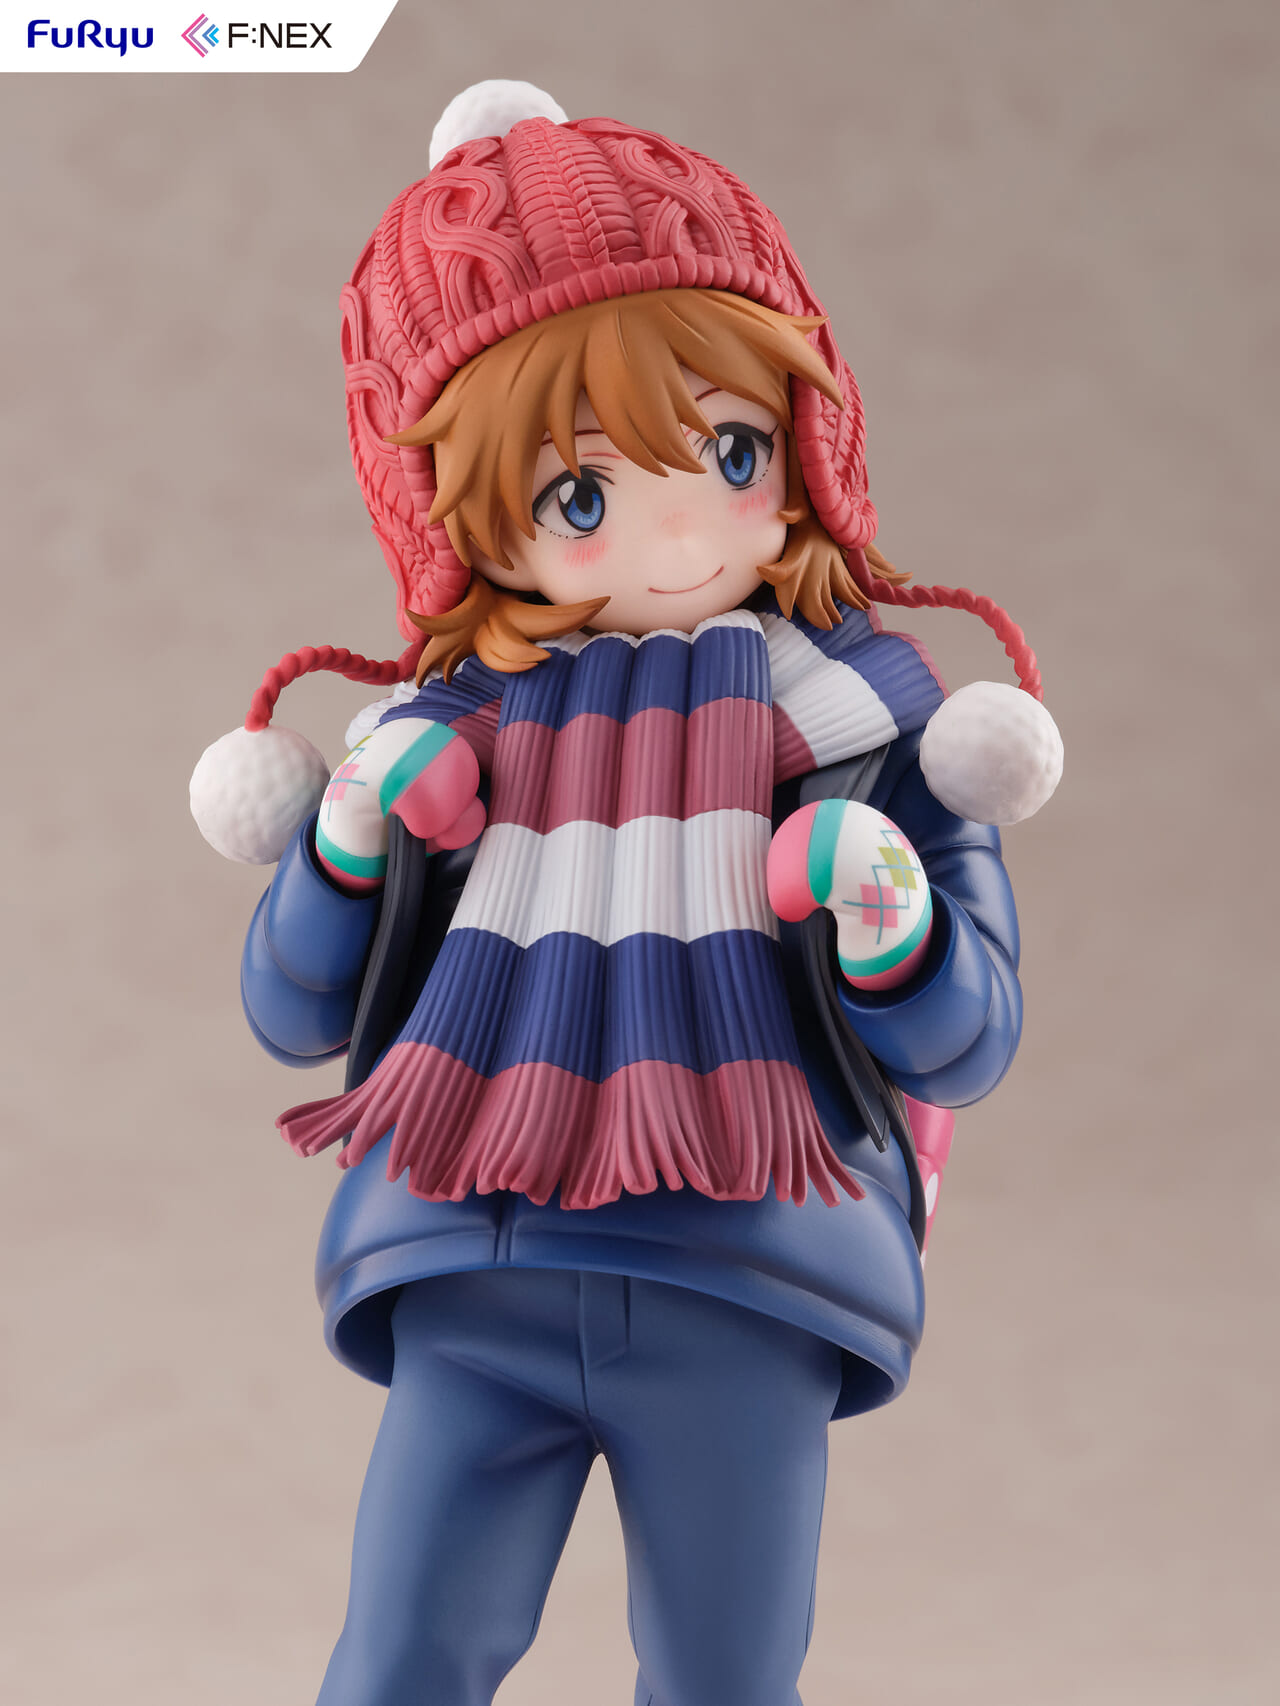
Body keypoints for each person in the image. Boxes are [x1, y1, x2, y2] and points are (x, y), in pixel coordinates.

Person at [192, 82, 1061, 1706]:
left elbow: (970, 1038)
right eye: (580, 496)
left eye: (728, 453)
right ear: (474, 521)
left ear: (801, 440)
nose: (673, 532)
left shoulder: (876, 736)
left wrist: (887, 918)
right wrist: (354, 846)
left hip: (753, 1254)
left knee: (725, 1675)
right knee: (401, 1659)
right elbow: (293, 1006)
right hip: (479, 1242)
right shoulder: (441, 735)